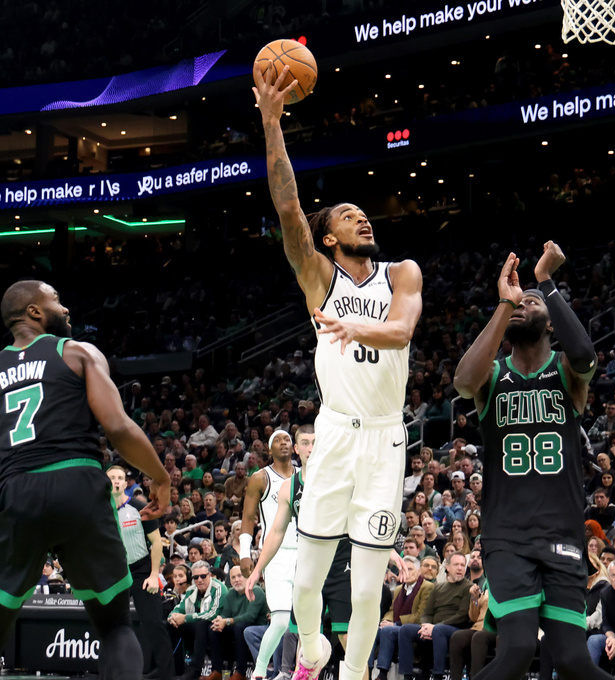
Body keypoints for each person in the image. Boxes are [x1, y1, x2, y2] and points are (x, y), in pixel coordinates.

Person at [255, 62, 424, 680]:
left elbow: (403, 329)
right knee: (306, 579)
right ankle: (310, 645)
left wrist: (356, 328)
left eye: (363, 213)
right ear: (326, 240)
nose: (361, 219)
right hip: (333, 434)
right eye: (348, 216)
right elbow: (288, 204)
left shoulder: (401, 271)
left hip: (385, 436)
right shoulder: (318, 279)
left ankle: (352, 676)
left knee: (365, 587)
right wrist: (272, 121)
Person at [0, 280, 171, 680]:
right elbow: (118, 428)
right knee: (116, 626)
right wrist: (160, 476)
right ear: (34, 312)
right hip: (78, 486)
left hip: (16, 494)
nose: (65, 309)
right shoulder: (76, 352)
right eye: (56, 301)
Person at [454, 246, 613, 680]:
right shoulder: (493, 375)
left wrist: (546, 281)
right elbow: (463, 381)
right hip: (507, 534)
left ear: (551, 321)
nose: (525, 304)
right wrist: (506, 302)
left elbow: (585, 354)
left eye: (533, 302)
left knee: (574, 661)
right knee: (517, 650)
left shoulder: (567, 371)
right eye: (518, 303)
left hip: (563, 532)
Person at [244, 426, 360, 674]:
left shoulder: (343, 481)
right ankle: (271, 671)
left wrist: (388, 552)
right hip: (307, 567)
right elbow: (275, 532)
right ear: (297, 449)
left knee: (350, 643)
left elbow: (361, 520)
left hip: (341, 566)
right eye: (305, 443)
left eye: (315, 442)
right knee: (304, 643)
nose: (310, 448)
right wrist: (257, 570)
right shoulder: (289, 486)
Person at [238, 430, 298, 680]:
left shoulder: (306, 475)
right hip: (277, 554)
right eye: (278, 441)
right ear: (269, 450)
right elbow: (248, 518)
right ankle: (260, 669)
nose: (284, 443)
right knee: (282, 620)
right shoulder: (260, 478)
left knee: (307, 623)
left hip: (307, 551)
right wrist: (244, 552)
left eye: (287, 440)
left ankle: (300, 673)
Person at [107, 466, 173, 680]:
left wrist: (154, 575)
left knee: (153, 623)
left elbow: (156, 543)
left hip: (142, 571)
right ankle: (109, 673)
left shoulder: (138, 507)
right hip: (115, 574)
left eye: (120, 478)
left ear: (126, 483)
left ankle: (166, 674)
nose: (116, 481)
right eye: (112, 478)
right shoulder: (99, 512)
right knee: (111, 627)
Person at [395, 552, 473, 680]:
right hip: (434, 627)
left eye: (462, 565)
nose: (460, 568)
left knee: (439, 631)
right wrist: (425, 626)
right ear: (447, 567)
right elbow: (427, 613)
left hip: (454, 628)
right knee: (406, 630)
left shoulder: (468, 587)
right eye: (456, 564)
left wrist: (435, 627)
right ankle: (407, 675)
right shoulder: (438, 587)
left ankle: (438, 675)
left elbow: (462, 615)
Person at [372, 556, 434, 680]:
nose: (407, 572)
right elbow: (391, 610)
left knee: (388, 630)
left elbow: (421, 615)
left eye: (410, 569)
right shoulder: (399, 589)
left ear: (418, 571)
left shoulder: (427, 587)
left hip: (415, 628)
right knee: (374, 630)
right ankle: (366, 669)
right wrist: (387, 620)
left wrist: (395, 624)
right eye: (404, 569)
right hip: (397, 626)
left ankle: (382, 673)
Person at [168, 560, 226, 680]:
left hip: (218, 626)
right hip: (199, 626)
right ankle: (175, 668)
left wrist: (185, 618)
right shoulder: (191, 590)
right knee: (170, 625)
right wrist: (172, 617)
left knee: (201, 623)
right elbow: (180, 607)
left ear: (209, 575)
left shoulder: (219, 587)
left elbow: (212, 613)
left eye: (203, 576)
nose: (199, 580)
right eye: (195, 577)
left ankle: (195, 670)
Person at [209, 566, 268, 680]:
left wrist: (226, 621)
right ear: (230, 580)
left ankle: (241, 671)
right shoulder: (230, 593)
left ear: (247, 577)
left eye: (240, 576)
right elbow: (226, 613)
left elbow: (250, 617)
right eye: (233, 577)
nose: (236, 580)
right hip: (237, 625)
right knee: (213, 628)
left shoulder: (256, 591)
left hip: (254, 627)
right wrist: (219, 620)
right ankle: (217, 670)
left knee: (240, 627)